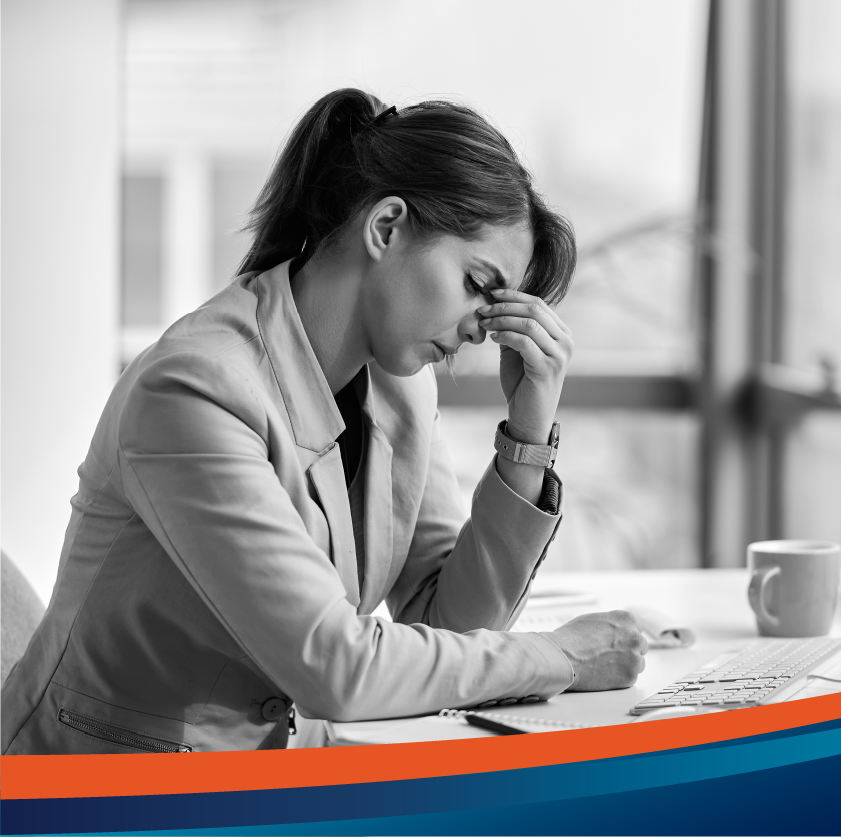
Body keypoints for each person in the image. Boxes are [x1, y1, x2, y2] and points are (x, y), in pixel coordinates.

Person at [0, 89, 646, 754]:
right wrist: (559, 656)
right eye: (478, 286)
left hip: (277, 778)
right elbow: (334, 667)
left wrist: (528, 437)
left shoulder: (401, 389)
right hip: (97, 791)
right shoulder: (193, 391)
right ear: (386, 227)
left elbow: (447, 622)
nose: (483, 330)